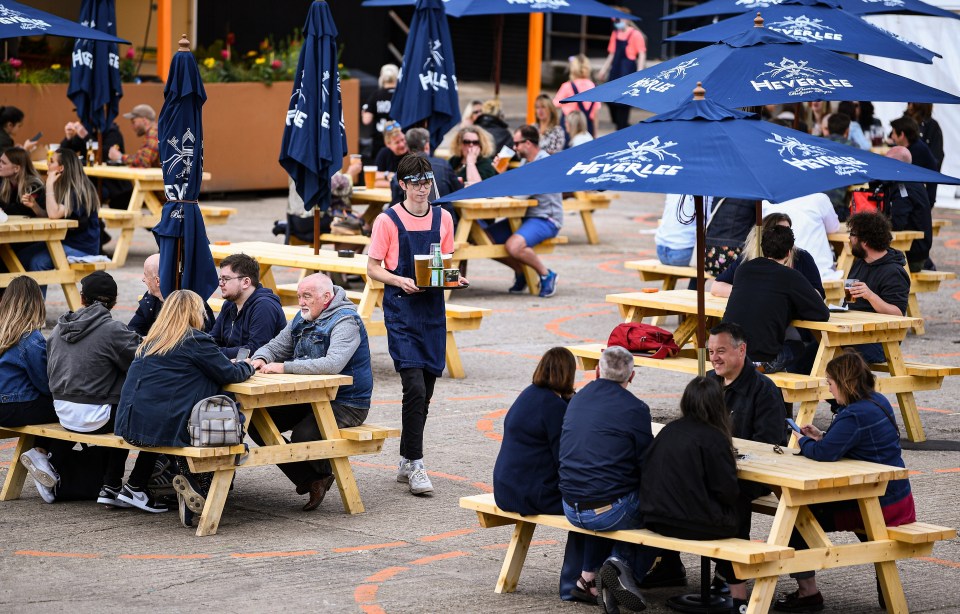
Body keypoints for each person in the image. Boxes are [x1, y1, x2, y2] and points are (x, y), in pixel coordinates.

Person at [773, 351, 915, 613]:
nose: (828, 387)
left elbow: (824, 454)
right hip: (898, 497)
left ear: (844, 382)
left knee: (797, 517)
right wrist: (824, 435)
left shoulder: (853, 415)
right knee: (811, 516)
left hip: (879, 505)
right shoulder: (878, 401)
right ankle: (886, 584)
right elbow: (852, 442)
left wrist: (803, 440)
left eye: (830, 382)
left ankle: (808, 594)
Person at [114, 290, 254, 527]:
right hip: (164, 428)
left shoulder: (151, 340)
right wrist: (247, 365)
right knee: (216, 434)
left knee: (182, 413)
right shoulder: (195, 340)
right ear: (194, 313)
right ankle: (202, 489)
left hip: (133, 426)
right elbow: (231, 374)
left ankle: (181, 488)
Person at [367, 155, 463, 497]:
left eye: (426, 183)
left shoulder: (444, 217)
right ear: (403, 185)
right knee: (414, 388)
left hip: (432, 311)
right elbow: (373, 268)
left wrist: (454, 278)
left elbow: (443, 265)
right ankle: (418, 464)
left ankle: (407, 458)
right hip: (402, 310)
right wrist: (398, 280)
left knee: (427, 390)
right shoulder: (388, 220)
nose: (422, 189)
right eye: (416, 183)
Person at [248, 273, 373, 511]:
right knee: (257, 422)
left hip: (347, 402)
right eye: (299, 296)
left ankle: (322, 474)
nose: (301, 302)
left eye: (307, 296)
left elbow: (332, 364)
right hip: (309, 396)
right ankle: (313, 479)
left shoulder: (346, 321)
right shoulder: (302, 317)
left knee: (304, 435)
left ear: (327, 297)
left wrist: (285, 367)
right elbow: (277, 345)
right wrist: (260, 358)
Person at [45, 272, 157, 510]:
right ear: (114, 302)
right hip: (98, 415)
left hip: (62, 411)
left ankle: (110, 485)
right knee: (152, 417)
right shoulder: (113, 330)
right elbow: (143, 364)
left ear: (82, 298)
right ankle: (132, 486)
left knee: (115, 400)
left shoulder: (58, 328)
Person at [559, 346, 655, 613]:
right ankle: (620, 566)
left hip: (569, 505)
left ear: (598, 370)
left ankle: (587, 578)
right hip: (606, 511)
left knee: (604, 488)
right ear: (632, 376)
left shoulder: (577, 399)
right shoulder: (635, 408)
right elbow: (647, 463)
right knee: (657, 505)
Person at [493, 348, 590, 601]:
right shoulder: (553, 407)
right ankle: (575, 583)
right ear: (568, 374)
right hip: (529, 495)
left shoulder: (528, 395)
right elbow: (565, 460)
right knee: (588, 509)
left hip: (506, 488)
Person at [640, 376, 744, 611]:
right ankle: (739, 597)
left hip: (656, 519)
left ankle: (673, 568)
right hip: (692, 524)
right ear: (719, 405)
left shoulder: (669, 430)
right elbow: (728, 491)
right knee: (740, 517)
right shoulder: (714, 437)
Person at [723, 225, 830, 373]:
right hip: (759, 360)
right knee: (800, 347)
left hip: (728, 354)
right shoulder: (790, 276)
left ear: (762, 247)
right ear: (789, 251)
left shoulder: (743, 270)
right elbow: (822, 313)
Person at [0, 277, 59, 502]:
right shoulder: (30, 338)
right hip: (16, 406)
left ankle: (41, 456)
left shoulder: (4, 331)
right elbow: (45, 383)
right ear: (36, 302)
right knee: (69, 412)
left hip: (3, 406)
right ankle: (42, 455)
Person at [485, 125, 561, 298]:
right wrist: (499, 173)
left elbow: (519, 195)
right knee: (483, 239)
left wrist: (502, 176)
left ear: (528, 143)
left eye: (517, 143)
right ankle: (521, 272)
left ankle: (546, 274)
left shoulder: (542, 164)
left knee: (513, 246)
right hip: (527, 217)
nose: (514, 148)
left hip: (546, 218)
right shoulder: (526, 162)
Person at [19, 149, 102, 288]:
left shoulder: (78, 189)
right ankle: (19, 302)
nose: (47, 164)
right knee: (21, 257)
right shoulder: (63, 186)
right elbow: (54, 216)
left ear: (61, 168)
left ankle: (36, 308)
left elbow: (54, 214)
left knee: (37, 262)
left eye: (52, 162)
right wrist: (35, 207)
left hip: (82, 247)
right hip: (64, 242)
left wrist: (49, 184)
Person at [843, 212, 910, 364]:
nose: (849, 238)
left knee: (836, 354)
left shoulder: (893, 271)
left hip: (880, 341)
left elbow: (898, 314)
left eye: (852, 234)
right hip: (854, 332)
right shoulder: (860, 262)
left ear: (865, 241)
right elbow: (850, 301)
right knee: (809, 349)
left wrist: (871, 296)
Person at [712, 213, 826, 299]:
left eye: (788, 231)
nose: (786, 237)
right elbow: (717, 287)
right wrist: (752, 292)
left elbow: (819, 295)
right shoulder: (748, 257)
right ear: (765, 234)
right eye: (780, 232)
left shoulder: (802, 257)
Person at [209, 253, 286, 360]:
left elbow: (256, 349)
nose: (221, 284)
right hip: (235, 367)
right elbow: (213, 338)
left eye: (226, 279)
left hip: (263, 371)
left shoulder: (264, 307)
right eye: (220, 279)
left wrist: (212, 352)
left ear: (246, 282)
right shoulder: (230, 304)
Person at [761, 195, 841, 279]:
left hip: (777, 276)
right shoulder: (819, 198)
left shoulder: (766, 203)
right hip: (822, 274)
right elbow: (834, 227)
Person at [879, 147, 932, 273]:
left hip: (911, 256)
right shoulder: (911, 181)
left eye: (887, 163)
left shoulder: (904, 186)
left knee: (866, 262)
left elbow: (896, 223)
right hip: (915, 251)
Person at [389, 128, 461, 214]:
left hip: (412, 225)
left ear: (407, 148)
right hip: (443, 223)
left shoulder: (400, 173)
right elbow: (459, 192)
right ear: (427, 146)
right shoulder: (443, 165)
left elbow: (395, 210)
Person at [598, 8, 646, 130]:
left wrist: (640, 72)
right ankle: (620, 123)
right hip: (615, 70)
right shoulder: (615, 34)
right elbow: (612, 54)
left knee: (623, 103)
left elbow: (641, 54)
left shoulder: (636, 34)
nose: (617, 21)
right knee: (609, 99)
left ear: (628, 20)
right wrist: (603, 70)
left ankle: (621, 126)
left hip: (628, 71)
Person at [890, 115, 939, 207]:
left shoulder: (917, 150)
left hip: (921, 201)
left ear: (902, 135)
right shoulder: (912, 147)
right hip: (918, 196)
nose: (892, 137)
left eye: (893, 133)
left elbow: (904, 178)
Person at [361, 63, 399, 163]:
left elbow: (366, 120)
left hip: (379, 141)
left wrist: (364, 111)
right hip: (399, 140)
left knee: (379, 170)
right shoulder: (402, 96)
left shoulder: (376, 95)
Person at [554, 54, 599, 138]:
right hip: (587, 128)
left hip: (568, 129)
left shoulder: (567, 86)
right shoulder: (594, 87)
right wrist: (595, 135)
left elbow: (554, 105)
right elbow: (595, 115)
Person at [0, 147, 45, 218]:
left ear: (16, 169)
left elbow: (23, 210)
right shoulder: (4, 182)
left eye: (4, 163)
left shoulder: (34, 186)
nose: (0, 165)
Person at [655, 194, 695, 266]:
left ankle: (696, 278)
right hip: (684, 252)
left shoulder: (674, 185)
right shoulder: (707, 191)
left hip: (661, 251)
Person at [128, 254, 163, 336]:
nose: (143, 279)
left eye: (146, 275)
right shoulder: (149, 299)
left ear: (157, 281)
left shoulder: (180, 305)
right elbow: (132, 330)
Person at [905, 102, 943, 170]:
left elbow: (936, 156)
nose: (909, 107)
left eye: (913, 104)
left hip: (922, 173)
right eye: (909, 103)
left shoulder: (933, 126)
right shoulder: (904, 121)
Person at [374, 122, 408, 187]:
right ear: (388, 144)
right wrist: (388, 175)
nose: (402, 144)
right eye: (397, 142)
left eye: (403, 139)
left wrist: (387, 178)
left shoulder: (412, 152)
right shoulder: (384, 153)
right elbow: (375, 180)